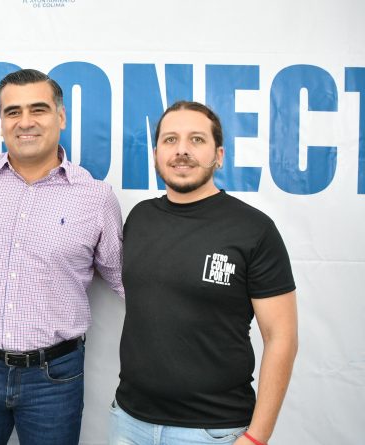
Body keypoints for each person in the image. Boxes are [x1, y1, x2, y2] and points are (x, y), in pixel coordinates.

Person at [0, 68, 125, 445]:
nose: (25, 122)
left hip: (55, 377)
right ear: (2, 122)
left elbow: (125, 281)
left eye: (38, 109)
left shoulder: (96, 198)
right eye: (13, 112)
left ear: (61, 117)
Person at [109, 101, 298, 445]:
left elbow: (281, 337)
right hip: (129, 422)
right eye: (170, 140)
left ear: (219, 155)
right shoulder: (139, 218)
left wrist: (257, 437)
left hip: (212, 431)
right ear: (156, 154)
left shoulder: (254, 229)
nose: (182, 150)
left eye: (196, 139)